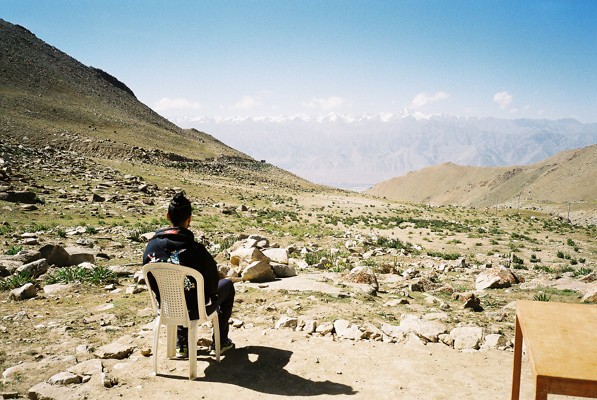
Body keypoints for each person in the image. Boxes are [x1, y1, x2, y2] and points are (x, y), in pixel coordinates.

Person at [143, 191, 235, 358]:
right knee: (226, 286)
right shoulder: (196, 250)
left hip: (166, 308)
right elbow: (212, 287)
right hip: (194, 311)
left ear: (167, 216)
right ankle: (220, 342)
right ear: (189, 219)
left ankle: (182, 345)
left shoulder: (151, 247)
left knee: (178, 292)